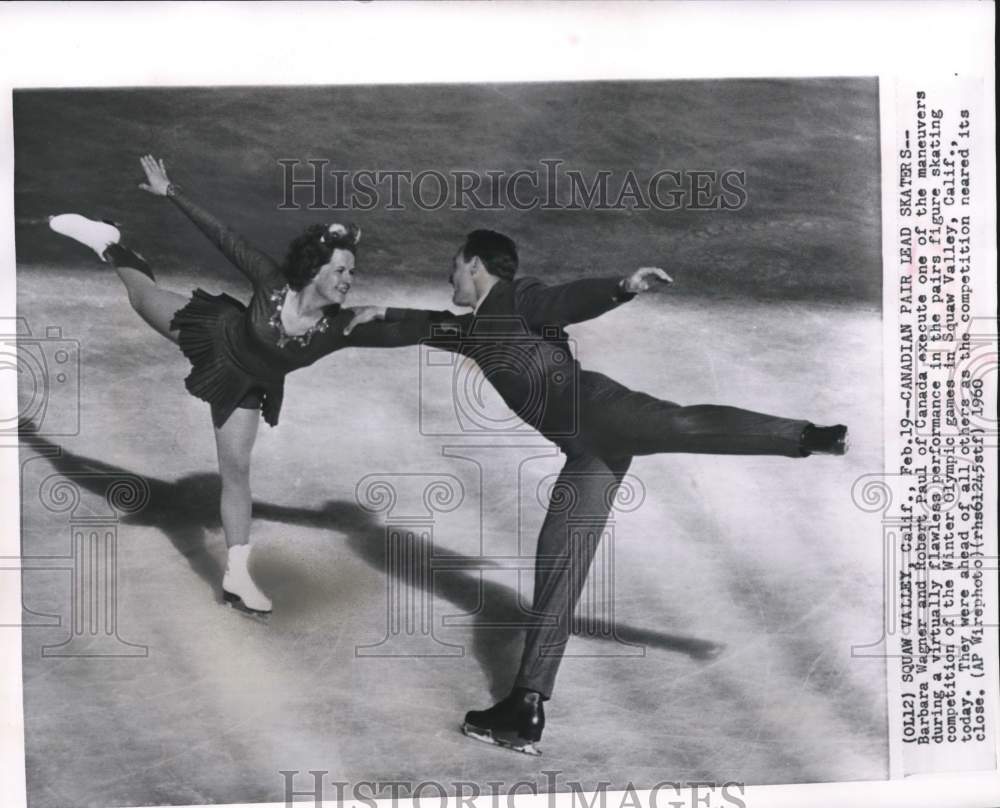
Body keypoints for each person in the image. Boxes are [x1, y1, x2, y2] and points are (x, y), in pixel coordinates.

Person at [353, 229, 848, 755]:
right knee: (558, 566)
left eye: (453, 265)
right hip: (587, 454)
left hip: (603, 408)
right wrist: (358, 319)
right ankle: (524, 705)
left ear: (476, 265)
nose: (447, 275)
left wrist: (621, 286)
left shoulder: (519, 298)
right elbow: (420, 326)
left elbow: (562, 300)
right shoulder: (474, 332)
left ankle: (806, 435)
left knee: (682, 425)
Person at [48, 155, 447, 619]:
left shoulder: (341, 327)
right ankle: (114, 245)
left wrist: (457, 325)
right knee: (140, 298)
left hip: (247, 385)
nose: (348, 281)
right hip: (214, 334)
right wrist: (170, 191)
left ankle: (236, 575)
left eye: (351, 274)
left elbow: (407, 333)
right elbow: (224, 238)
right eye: (340, 271)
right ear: (314, 270)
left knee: (235, 470)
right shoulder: (273, 283)